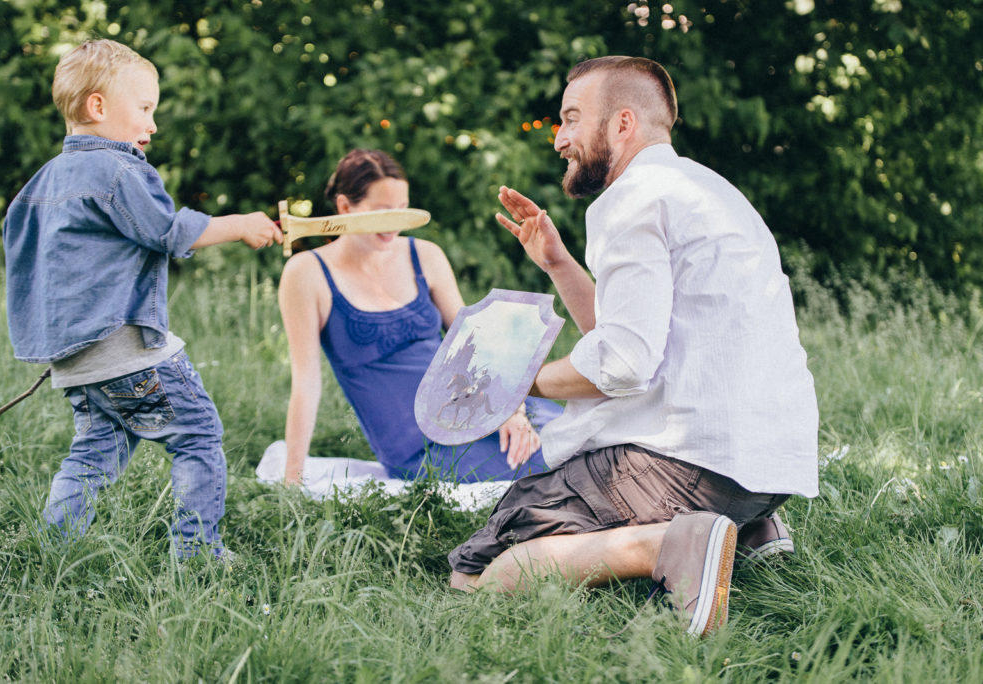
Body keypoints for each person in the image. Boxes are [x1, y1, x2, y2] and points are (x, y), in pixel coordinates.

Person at [447, 56, 818, 637]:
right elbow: (630, 335)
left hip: (693, 462)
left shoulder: (630, 199)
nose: (560, 139)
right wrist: (558, 262)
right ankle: (746, 530)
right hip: (767, 463)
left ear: (622, 124)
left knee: (477, 572)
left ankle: (673, 543)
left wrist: (523, 379)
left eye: (571, 118)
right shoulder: (707, 188)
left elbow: (621, 364)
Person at [3, 40, 282, 560]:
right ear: (98, 106)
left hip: (74, 360)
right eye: (145, 108)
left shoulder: (41, 182)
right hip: (126, 349)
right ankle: (197, 553)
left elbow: (24, 256)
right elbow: (167, 232)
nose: (152, 124)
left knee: (92, 454)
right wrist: (240, 225)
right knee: (197, 435)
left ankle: (52, 551)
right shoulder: (117, 169)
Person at [277, 149, 562, 486]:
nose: (396, 223)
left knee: (581, 431)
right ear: (344, 208)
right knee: (553, 465)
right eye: (383, 212)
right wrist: (292, 480)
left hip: (475, 402)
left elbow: (472, 342)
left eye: (402, 210)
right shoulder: (307, 273)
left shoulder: (424, 255)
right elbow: (307, 382)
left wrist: (510, 410)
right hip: (419, 443)